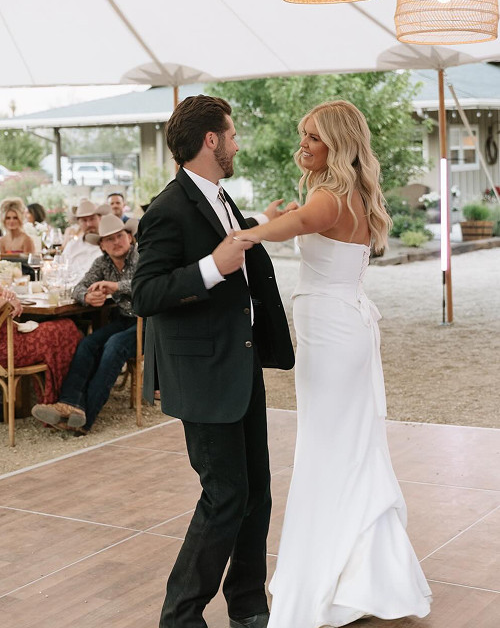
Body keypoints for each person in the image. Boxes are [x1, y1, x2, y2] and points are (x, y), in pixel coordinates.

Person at [234, 101, 432, 628]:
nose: (303, 145)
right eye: (303, 135)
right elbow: (300, 222)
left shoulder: (330, 196)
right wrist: (273, 220)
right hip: (340, 329)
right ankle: (362, 572)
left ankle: (329, 576)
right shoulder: (351, 193)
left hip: (335, 336)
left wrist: (248, 232)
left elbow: (302, 221)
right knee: (344, 447)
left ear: (338, 145)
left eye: (313, 138)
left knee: (329, 448)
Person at [132, 95, 295, 628]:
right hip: (203, 375)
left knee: (256, 491)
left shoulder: (221, 197)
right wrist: (211, 266)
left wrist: (261, 227)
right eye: (232, 133)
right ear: (211, 140)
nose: (237, 143)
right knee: (225, 495)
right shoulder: (166, 209)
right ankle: (180, 617)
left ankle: (248, 605)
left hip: (239, 363)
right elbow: (145, 293)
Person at [32, 213, 140, 435]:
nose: (116, 242)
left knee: (114, 346)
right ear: (102, 245)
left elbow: (148, 284)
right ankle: (69, 404)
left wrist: (116, 286)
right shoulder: (102, 263)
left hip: (149, 321)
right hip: (122, 319)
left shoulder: (142, 257)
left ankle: (85, 418)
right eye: (109, 239)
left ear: (129, 237)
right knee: (87, 344)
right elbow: (78, 287)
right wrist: (87, 297)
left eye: (119, 236)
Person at [0, 286, 82, 404]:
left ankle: (65, 400)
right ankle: (64, 401)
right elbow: (6, 298)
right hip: (9, 351)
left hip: (11, 341)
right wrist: (8, 300)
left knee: (63, 327)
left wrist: (9, 295)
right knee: (65, 328)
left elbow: (5, 292)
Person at [61, 198, 110, 279]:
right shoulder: (72, 246)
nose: (89, 224)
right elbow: (61, 271)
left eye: (92, 219)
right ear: (78, 223)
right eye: (84, 220)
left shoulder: (110, 246)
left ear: (100, 218)